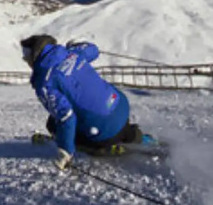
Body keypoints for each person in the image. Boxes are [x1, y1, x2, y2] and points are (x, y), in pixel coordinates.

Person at [20, 34, 147, 170]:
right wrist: (76, 45)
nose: (26, 61)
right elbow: (94, 50)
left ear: (33, 56)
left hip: (103, 126)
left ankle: (101, 148)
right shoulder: (71, 53)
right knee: (110, 118)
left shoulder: (44, 82)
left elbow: (66, 116)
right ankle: (137, 137)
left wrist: (66, 151)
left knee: (52, 123)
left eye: (25, 57)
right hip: (120, 104)